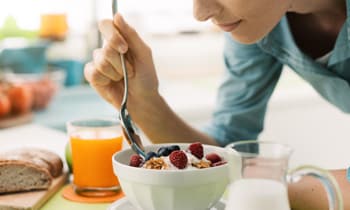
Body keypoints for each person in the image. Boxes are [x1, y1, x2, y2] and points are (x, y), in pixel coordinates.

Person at [84, 0, 350, 209]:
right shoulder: (259, 22)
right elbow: (221, 153)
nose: (200, 13)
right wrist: (140, 100)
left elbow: (224, 172)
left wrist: (255, 193)